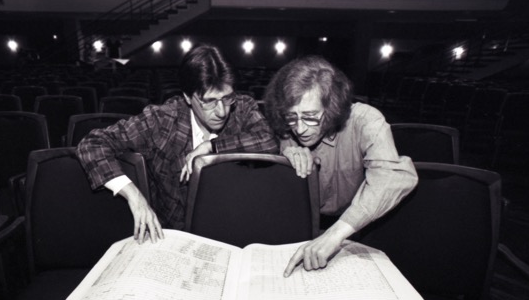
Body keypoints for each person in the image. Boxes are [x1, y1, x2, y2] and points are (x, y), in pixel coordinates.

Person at [77, 44, 277, 243]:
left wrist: (213, 147)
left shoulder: (242, 107)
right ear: (188, 98)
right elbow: (92, 143)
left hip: (232, 230)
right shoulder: (162, 119)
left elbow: (268, 140)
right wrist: (135, 197)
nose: (222, 111)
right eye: (209, 101)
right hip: (175, 237)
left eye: (226, 98)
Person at [264, 55, 418, 277]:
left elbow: (393, 176)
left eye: (310, 117)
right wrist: (284, 159)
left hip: (359, 229)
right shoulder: (288, 129)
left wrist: (335, 234)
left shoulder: (365, 120)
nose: (300, 129)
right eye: (292, 117)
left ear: (333, 105)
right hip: (303, 229)